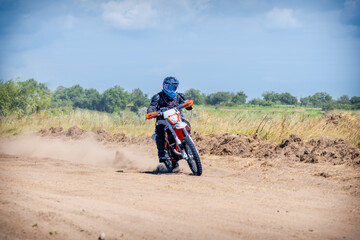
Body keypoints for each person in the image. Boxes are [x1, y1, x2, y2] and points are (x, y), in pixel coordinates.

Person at [147, 76, 192, 172]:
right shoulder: (158, 97)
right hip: (163, 120)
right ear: (164, 86)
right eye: (170, 87)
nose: (172, 90)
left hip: (177, 119)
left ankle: (188, 143)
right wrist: (152, 112)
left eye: (174, 87)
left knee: (187, 123)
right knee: (160, 131)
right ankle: (163, 155)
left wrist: (188, 104)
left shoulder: (180, 96)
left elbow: (188, 105)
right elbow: (151, 107)